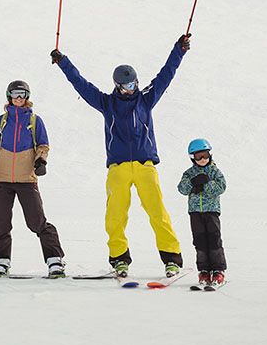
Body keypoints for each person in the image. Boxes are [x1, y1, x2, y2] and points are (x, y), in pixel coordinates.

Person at [50, 35, 191, 278]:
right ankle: (119, 259)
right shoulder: (106, 103)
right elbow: (81, 84)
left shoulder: (146, 99)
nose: (132, 88)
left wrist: (179, 49)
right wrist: (63, 62)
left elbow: (167, 73)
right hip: (118, 168)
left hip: (145, 166)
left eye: (134, 84)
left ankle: (171, 259)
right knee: (115, 215)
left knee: (158, 212)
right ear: (118, 86)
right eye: (127, 86)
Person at [0, 80, 65, 278]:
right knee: (1, 223)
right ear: (9, 96)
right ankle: (0, 261)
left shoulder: (34, 120)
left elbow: (43, 145)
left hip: (26, 179)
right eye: (16, 94)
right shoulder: (1, 121)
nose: (19, 98)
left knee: (37, 222)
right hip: (2, 180)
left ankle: (55, 260)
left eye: (23, 94)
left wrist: (41, 161)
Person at [177, 138, 227, 288]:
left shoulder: (214, 171)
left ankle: (218, 270)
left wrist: (206, 183)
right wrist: (193, 182)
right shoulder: (189, 173)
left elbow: (221, 187)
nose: (203, 160)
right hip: (195, 213)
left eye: (205, 155)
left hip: (211, 211)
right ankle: (204, 270)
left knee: (214, 240)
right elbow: (182, 189)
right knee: (199, 241)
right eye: (198, 157)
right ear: (193, 158)